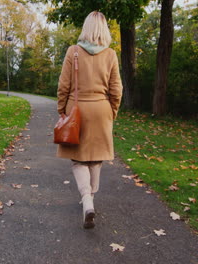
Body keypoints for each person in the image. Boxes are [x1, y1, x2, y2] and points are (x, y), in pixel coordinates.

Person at [56, 11, 123, 229]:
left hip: (77, 109)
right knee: (95, 158)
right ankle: (90, 199)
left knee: (78, 159)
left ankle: (87, 200)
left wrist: (61, 110)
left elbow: (64, 85)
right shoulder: (111, 54)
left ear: (85, 28)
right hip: (102, 109)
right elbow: (116, 90)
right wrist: (112, 111)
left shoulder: (73, 52)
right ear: (104, 30)